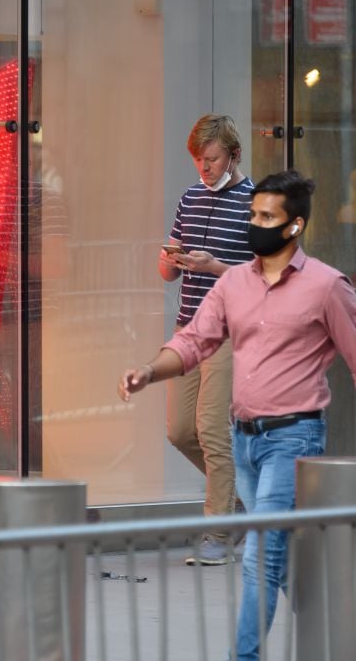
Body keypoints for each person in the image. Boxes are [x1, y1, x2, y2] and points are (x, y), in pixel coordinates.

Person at [119, 170, 356, 661]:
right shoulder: (235, 282)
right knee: (286, 556)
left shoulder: (327, 286)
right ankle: (344, 639)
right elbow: (194, 341)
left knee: (260, 556)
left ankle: (246, 656)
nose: (253, 223)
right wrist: (150, 372)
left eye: (265, 216)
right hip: (244, 443)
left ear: (294, 225)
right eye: (252, 213)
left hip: (294, 439)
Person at [159, 113, 255, 565]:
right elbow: (165, 272)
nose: (204, 167)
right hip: (188, 329)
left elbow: (266, 278)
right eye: (198, 159)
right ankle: (237, 505)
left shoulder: (256, 203)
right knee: (179, 430)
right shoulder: (190, 198)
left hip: (228, 331)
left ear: (233, 155)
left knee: (213, 430)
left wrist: (215, 266)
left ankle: (219, 532)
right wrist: (169, 258)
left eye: (212, 159)